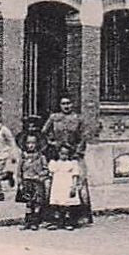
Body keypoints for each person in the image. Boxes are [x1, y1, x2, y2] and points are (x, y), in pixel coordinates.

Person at [41, 96, 92, 225]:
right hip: (59, 156)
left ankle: (80, 216)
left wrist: (77, 152)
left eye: (68, 103)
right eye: (63, 103)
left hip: (74, 155)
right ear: (60, 105)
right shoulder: (54, 118)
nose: (66, 106)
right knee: (53, 185)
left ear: (73, 104)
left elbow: (83, 137)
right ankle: (52, 216)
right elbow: (43, 134)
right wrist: (51, 144)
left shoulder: (78, 119)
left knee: (80, 183)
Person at [46, 143, 84, 229]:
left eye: (66, 154)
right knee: (58, 203)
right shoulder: (55, 163)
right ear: (58, 153)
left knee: (67, 204)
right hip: (58, 186)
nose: (64, 156)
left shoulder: (72, 163)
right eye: (62, 153)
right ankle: (58, 222)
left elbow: (75, 175)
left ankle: (68, 222)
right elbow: (51, 174)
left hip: (67, 185)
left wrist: (74, 186)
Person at [17, 132, 50, 230]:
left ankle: (35, 222)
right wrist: (20, 182)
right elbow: (19, 170)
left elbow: (46, 170)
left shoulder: (41, 157)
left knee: (37, 203)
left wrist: (40, 175)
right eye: (28, 143)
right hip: (27, 182)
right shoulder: (23, 157)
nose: (30, 145)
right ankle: (27, 221)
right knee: (28, 203)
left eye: (33, 143)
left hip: (37, 183)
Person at [0, 117, 20, 200]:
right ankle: (7, 175)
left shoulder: (3, 130)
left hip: (3, 154)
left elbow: (12, 142)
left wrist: (13, 155)